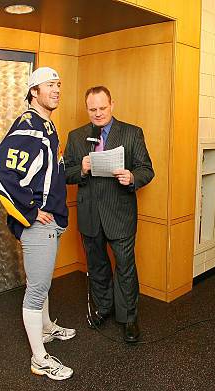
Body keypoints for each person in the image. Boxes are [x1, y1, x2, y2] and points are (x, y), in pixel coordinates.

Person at [0, 67, 75, 380]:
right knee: (37, 289)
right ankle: (39, 359)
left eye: (58, 84)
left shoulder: (46, 124)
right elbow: (2, 171)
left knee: (42, 283)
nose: (56, 90)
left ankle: (46, 327)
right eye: (49, 85)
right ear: (33, 91)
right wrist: (28, 211)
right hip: (38, 223)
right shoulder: (29, 126)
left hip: (51, 218)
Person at [64, 86, 154, 343]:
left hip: (120, 214)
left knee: (125, 267)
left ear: (112, 105)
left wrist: (132, 177)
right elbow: (65, 173)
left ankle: (128, 318)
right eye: (93, 110)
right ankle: (104, 308)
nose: (98, 114)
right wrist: (80, 168)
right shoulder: (76, 136)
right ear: (87, 109)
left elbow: (147, 169)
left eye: (103, 108)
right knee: (97, 266)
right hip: (90, 214)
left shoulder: (131, 133)